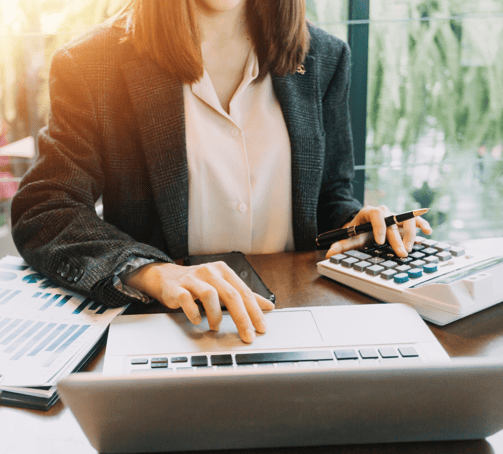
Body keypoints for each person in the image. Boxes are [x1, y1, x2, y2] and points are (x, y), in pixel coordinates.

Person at [11, 0, 431, 344]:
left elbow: (329, 194)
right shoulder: (92, 65)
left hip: (301, 322)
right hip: (173, 326)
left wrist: (353, 225)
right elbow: (46, 208)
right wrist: (153, 272)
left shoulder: (324, 57)